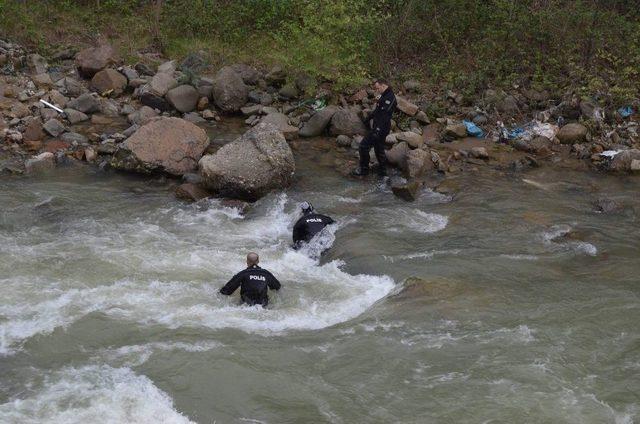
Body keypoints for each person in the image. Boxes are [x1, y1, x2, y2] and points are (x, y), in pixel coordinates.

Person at [351, 79, 397, 177]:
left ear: (383, 85)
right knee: (379, 149)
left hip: (381, 128)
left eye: (377, 88)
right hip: (378, 127)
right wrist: (368, 118)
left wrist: (377, 129)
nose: (377, 90)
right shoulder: (384, 96)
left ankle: (364, 170)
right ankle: (383, 173)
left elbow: (385, 115)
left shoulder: (391, 97)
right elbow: (378, 110)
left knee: (363, 146)